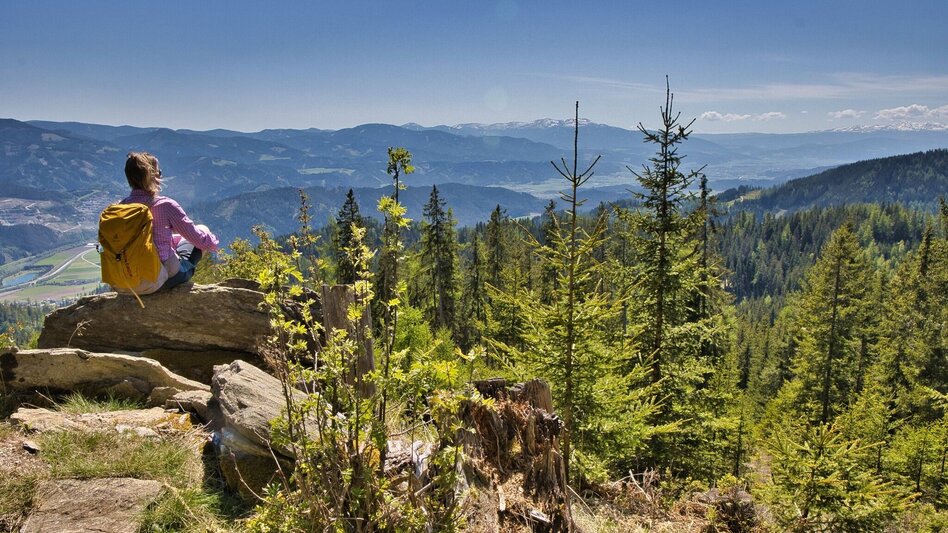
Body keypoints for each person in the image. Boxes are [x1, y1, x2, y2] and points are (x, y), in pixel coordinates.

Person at [120, 151, 219, 291]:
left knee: (176, 240)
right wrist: (213, 243)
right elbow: (197, 239)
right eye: (159, 172)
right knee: (202, 230)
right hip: (159, 280)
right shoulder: (165, 205)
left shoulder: (119, 208)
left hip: (126, 281)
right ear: (153, 176)